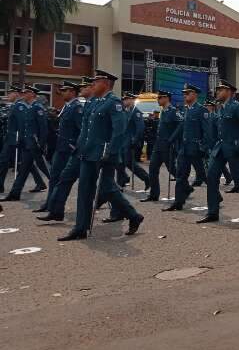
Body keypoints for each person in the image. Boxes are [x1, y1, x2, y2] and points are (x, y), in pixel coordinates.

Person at [58, 70, 144, 241]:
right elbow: (86, 130)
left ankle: (133, 215)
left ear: (105, 83)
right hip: (87, 153)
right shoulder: (94, 103)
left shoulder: (114, 103)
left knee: (107, 188)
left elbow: (119, 131)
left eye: (96, 82)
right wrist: (79, 148)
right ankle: (80, 228)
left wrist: (111, 152)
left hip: (104, 154)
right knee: (84, 190)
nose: (92, 85)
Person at [199, 80, 239, 223]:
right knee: (211, 176)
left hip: (232, 148)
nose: (217, 92)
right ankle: (213, 212)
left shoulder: (236, 107)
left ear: (228, 92)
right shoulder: (221, 108)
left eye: (220, 90)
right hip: (220, 148)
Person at [36, 77, 94, 221]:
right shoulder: (67, 106)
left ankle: (115, 204)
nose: (62, 93)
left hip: (70, 149)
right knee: (56, 178)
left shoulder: (77, 107)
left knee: (75, 180)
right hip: (60, 148)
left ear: (72, 92)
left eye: (64, 90)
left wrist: (73, 145)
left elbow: (83, 129)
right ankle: (53, 206)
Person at [162, 84, 210, 212]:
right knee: (180, 175)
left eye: (187, 93)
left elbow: (207, 131)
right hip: (184, 148)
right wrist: (171, 140)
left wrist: (204, 147)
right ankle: (178, 202)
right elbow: (181, 127)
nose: (185, 95)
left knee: (203, 175)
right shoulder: (185, 110)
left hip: (196, 148)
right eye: (184, 93)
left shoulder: (201, 110)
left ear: (195, 95)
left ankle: (216, 196)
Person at [1, 85, 48, 201]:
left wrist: (41, 144)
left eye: (26, 92)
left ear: (32, 94)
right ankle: (15, 193)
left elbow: (42, 129)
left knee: (45, 169)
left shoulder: (36, 107)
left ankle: (57, 184)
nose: (24, 94)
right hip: (25, 143)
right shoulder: (28, 107)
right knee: (24, 168)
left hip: (32, 143)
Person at [142, 90, 180, 202]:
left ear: (166, 98)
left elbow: (180, 125)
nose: (158, 100)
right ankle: (154, 194)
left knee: (171, 168)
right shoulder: (162, 111)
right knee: (153, 168)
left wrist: (172, 139)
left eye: (160, 98)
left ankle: (185, 187)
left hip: (167, 144)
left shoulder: (173, 111)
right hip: (158, 144)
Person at [116, 93, 150, 191]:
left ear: (132, 100)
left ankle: (146, 178)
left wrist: (134, 141)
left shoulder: (136, 112)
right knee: (119, 163)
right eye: (124, 99)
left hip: (129, 142)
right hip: (122, 142)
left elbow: (140, 128)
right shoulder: (126, 111)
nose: (124, 101)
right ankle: (120, 183)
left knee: (128, 163)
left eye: (126, 99)